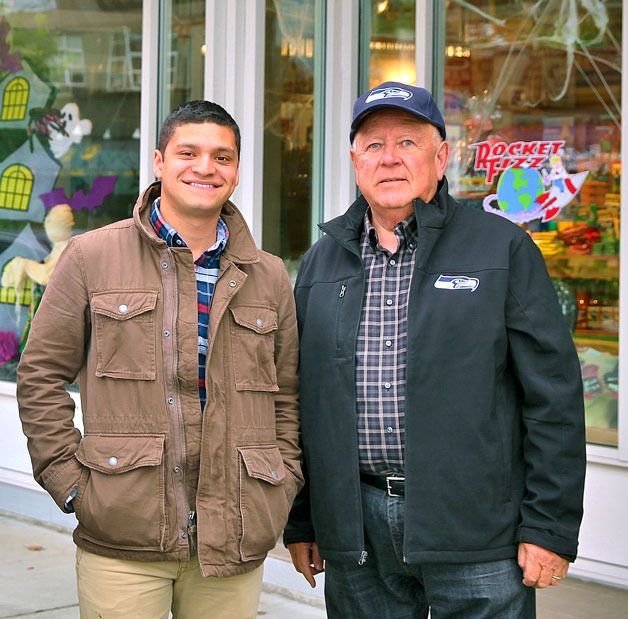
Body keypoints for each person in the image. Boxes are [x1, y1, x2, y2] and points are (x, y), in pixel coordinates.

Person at [284, 81, 586, 618]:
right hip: (357, 536)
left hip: (477, 533)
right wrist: (304, 520)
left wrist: (550, 526)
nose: (390, 158)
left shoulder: (502, 248)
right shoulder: (321, 263)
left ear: (442, 157)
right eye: (374, 145)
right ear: (355, 161)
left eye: (408, 142)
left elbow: (554, 400)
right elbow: (306, 402)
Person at [17, 100, 303, 619]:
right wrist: (72, 484)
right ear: (159, 161)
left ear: (236, 171)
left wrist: (280, 484)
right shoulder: (90, 257)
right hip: (123, 532)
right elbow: (40, 375)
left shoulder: (269, 275)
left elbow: (286, 395)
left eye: (222, 157)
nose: (204, 168)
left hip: (233, 536)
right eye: (188, 152)